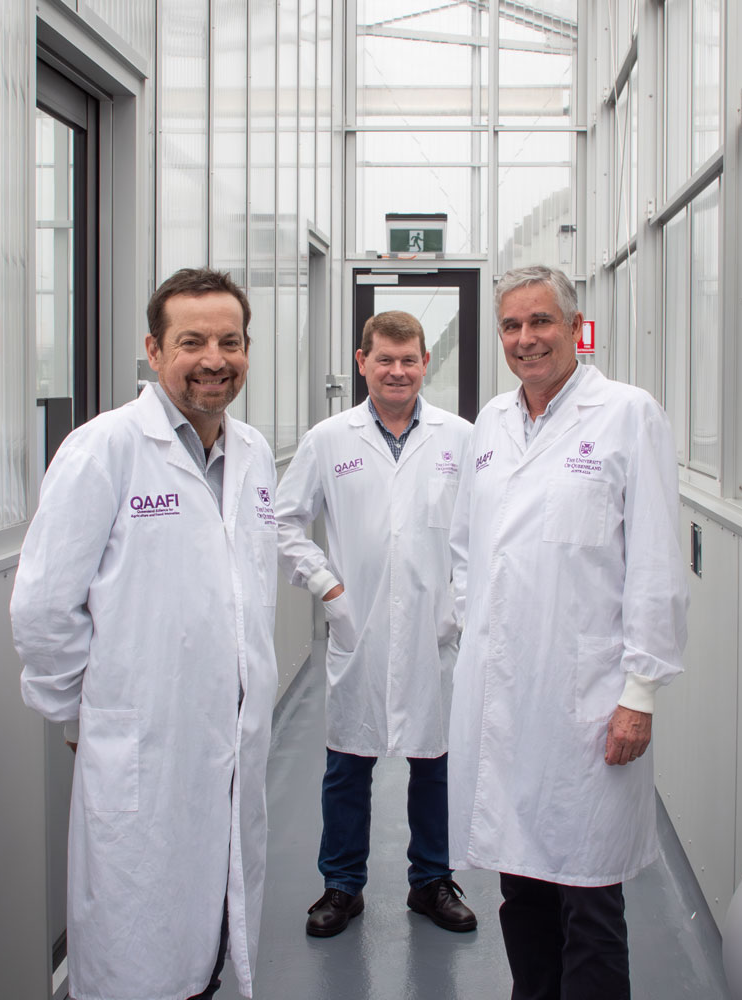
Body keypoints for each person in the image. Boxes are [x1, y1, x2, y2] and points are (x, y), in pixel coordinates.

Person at [11, 268, 278, 1000]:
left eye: (229, 340)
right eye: (191, 340)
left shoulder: (252, 454)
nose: (213, 358)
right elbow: (42, 606)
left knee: (212, 942)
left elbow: (240, 590)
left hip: (229, 749)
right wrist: (84, 709)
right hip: (142, 749)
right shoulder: (104, 450)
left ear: (247, 349)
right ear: (154, 351)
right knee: (141, 953)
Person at [448, 265, 688, 999]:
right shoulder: (491, 421)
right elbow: (467, 544)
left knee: (588, 893)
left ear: (573, 325)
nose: (527, 339)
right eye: (512, 326)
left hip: (588, 697)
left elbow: (654, 563)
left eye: (541, 321)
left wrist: (640, 691)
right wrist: (471, 625)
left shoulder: (626, 414)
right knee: (520, 886)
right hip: (503, 694)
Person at [274, 310, 477, 937]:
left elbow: (481, 534)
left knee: (435, 759)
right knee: (348, 761)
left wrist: (459, 604)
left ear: (424, 363)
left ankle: (432, 881)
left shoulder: (460, 438)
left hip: (434, 628)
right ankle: (341, 884)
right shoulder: (329, 438)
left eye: (409, 359)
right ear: (362, 362)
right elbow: (282, 523)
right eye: (384, 359)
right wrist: (326, 586)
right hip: (357, 623)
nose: (397, 370)